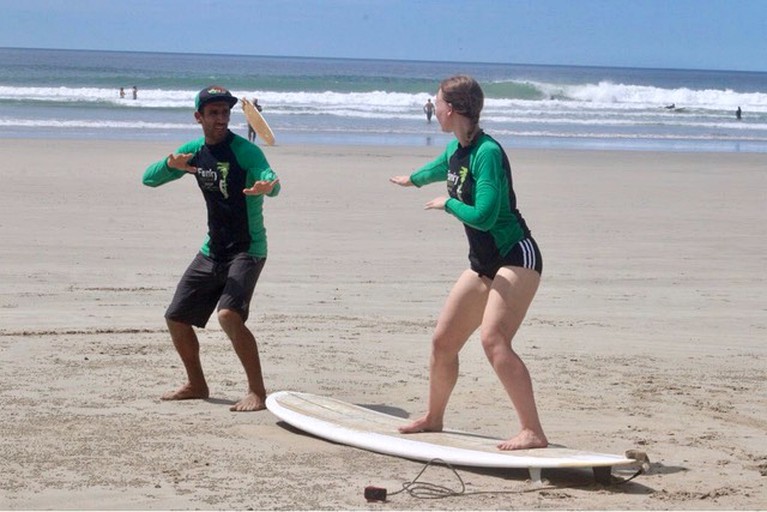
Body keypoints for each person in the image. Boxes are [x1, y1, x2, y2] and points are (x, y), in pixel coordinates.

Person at [390, 75, 547, 450]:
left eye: (437, 102)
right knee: (443, 341)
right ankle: (434, 418)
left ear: (454, 108)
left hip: (516, 256)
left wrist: (448, 204)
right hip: (483, 264)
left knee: (494, 339)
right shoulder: (456, 149)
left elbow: (487, 215)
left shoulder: (487, 153)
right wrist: (411, 180)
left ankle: (533, 431)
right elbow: (438, 169)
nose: (433, 108)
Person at [142, 85, 281, 412]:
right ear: (199, 117)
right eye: (214, 113)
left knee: (229, 315)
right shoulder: (195, 151)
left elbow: (271, 179)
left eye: (225, 112)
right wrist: (169, 164)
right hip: (213, 249)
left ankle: (257, 392)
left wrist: (267, 186)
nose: (221, 119)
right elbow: (149, 179)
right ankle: (197, 383)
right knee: (176, 318)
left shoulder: (245, 151)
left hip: (248, 248)